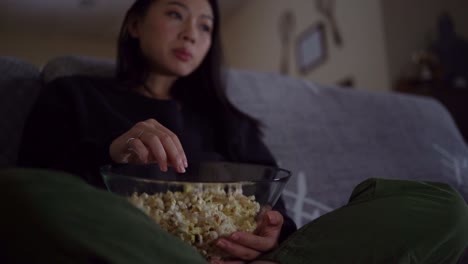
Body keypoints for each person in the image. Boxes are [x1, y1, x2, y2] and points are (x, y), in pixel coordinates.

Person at [13, 0, 468, 263]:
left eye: (206, 25)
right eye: (175, 13)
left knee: (441, 206)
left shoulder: (229, 121)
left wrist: (273, 233)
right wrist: (110, 153)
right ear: (134, 23)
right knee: (17, 191)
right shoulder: (73, 94)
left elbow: (277, 214)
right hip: (143, 249)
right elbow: (44, 183)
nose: (192, 33)